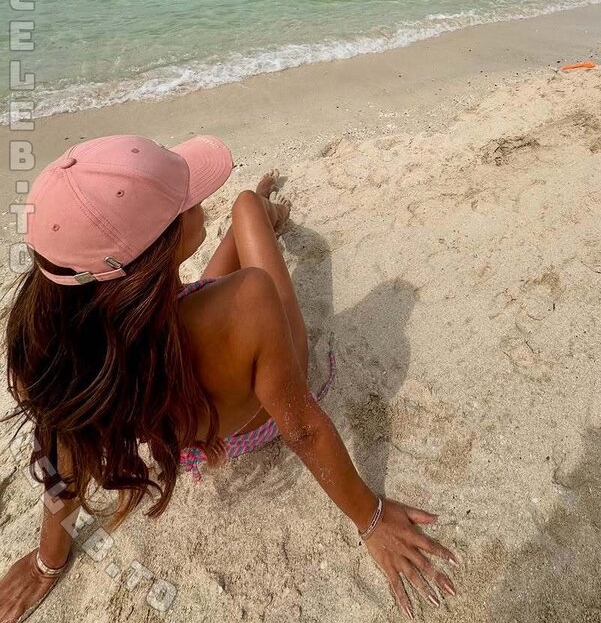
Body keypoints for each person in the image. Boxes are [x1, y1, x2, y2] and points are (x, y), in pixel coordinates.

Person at [0, 135, 457, 622]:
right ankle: (266, 211)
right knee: (243, 208)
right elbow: (302, 429)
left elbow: (62, 463)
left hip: (184, 432)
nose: (199, 198)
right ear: (164, 244)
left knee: (225, 261)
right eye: (188, 198)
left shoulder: (55, 355)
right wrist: (372, 519)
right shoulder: (249, 300)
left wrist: (48, 562)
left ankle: (260, 216)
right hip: (258, 413)